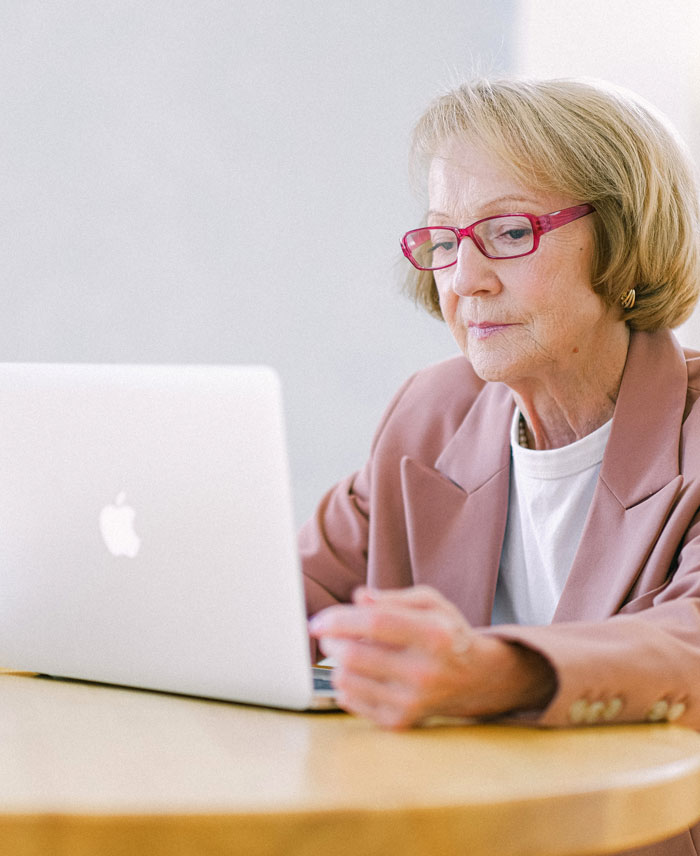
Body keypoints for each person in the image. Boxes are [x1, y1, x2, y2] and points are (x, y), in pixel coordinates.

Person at [301, 78, 700, 854]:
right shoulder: (432, 414)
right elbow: (292, 598)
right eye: (445, 241)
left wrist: (498, 670)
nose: (464, 278)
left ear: (623, 243)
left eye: (511, 232)